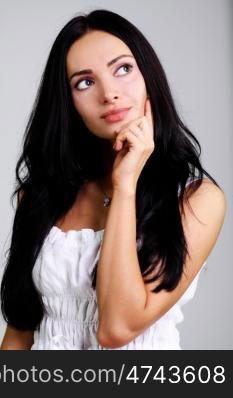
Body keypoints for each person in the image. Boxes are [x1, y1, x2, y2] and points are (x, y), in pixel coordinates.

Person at [0, 9, 226, 350]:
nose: (109, 94)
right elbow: (18, 334)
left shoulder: (198, 200)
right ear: (68, 102)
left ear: (149, 76)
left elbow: (117, 328)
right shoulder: (40, 196)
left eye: (123, 69)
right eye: (85, 82)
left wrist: (125, 184)